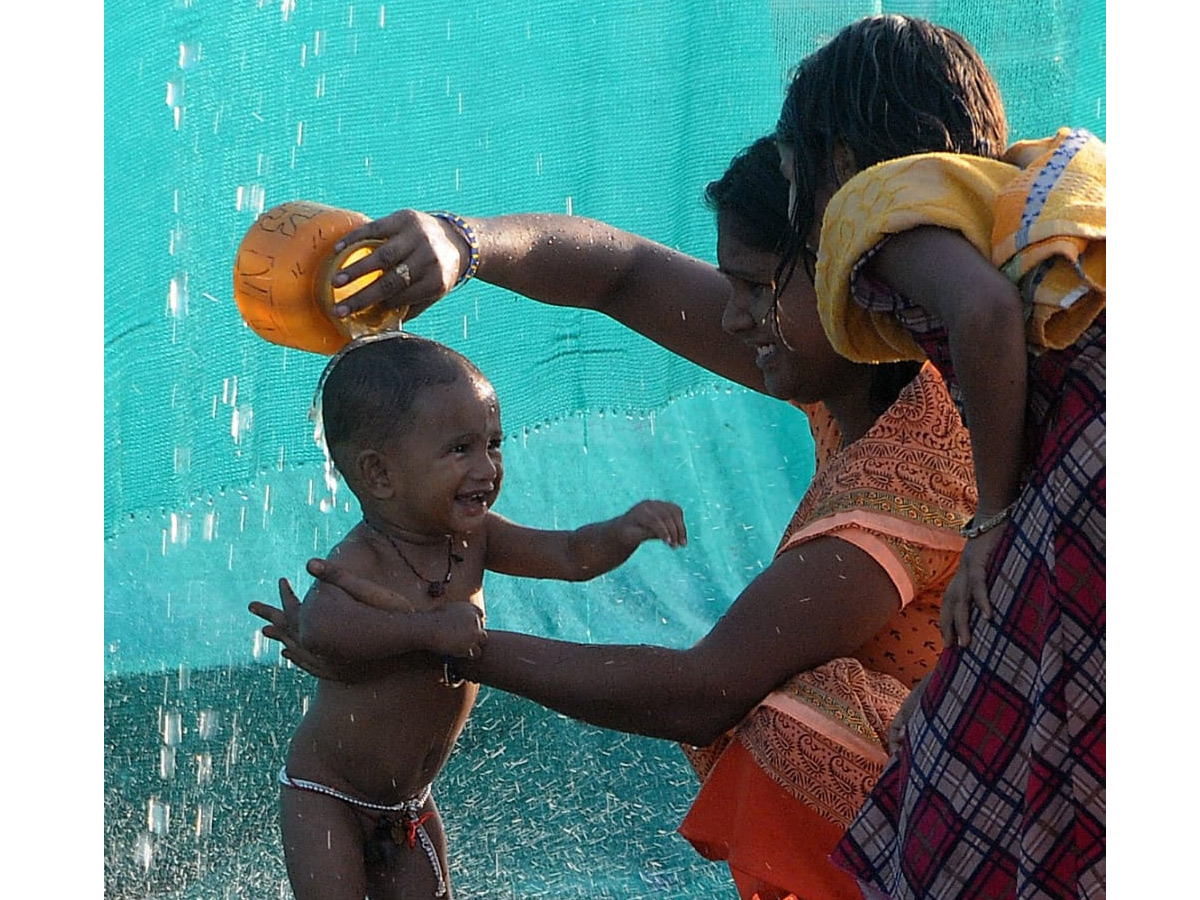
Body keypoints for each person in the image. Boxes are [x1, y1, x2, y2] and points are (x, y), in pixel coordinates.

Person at [253, 135, 978, 900]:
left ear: (853, 279)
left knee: (799, 723)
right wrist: (463, 243)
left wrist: (433, 643)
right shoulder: (860, 365)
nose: (732, 318)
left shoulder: (912, 464)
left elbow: (702, 689)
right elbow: (622, 272)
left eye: (757, 288)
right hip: (336, 795)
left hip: (974, 803)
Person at [770, 14, 1105, 900]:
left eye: (794, 178)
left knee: (968, 781)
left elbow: (986, 315)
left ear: (838, 157)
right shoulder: (1001, 196)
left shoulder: (876, 204)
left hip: (1097, 467)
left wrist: (990, 519)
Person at [265, 332, 686, 900]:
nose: (487, 467)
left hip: (409, 805)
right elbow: (323, 630)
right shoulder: (360, 557)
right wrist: (426, 630)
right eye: (460, 449)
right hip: (327, 796)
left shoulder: (476, 538)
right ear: (381, 475)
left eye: (494, 443)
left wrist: (623, 530)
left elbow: (567, 554)